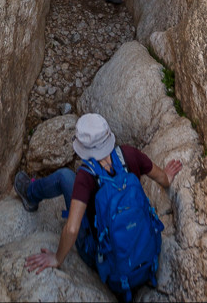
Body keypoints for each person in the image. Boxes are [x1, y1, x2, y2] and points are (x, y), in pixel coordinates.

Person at [17, 114, 183, 287]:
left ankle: (30, 194)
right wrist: (168, 176)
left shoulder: (85, 176)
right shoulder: (130, 154)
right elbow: (163, 178)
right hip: (143, 247)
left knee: (64, 176)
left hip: (103, 255)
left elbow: (72, 229)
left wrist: (57, 258)